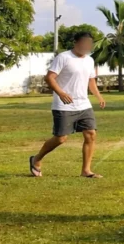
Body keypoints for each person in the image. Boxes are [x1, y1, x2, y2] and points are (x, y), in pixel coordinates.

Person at [29, 31, 106, 178]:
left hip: (84, 104)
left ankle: (86, 171)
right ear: (76, 42)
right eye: (84, 43)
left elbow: (91, 80)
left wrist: (98, 96)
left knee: (91, 134)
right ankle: (36, 159)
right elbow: (49, 77)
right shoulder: (63, 57)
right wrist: (61, 93)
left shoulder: (89, 60)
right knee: (61, 138)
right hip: (63, 105)